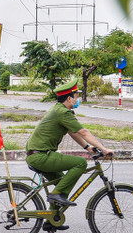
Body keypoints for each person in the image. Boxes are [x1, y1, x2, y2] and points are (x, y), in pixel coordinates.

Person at [25, 78, 114, 222]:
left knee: (61, 182)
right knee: (80, 163)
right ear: (69, 98)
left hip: (38, 155)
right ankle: (56, 196)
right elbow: (83, 132)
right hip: (40, 156)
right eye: (76, 96)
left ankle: (52, 220)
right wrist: (104, 149)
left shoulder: (59, 110)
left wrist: (87, 147)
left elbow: (73, 132)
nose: (78, 99)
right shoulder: (63, 113)